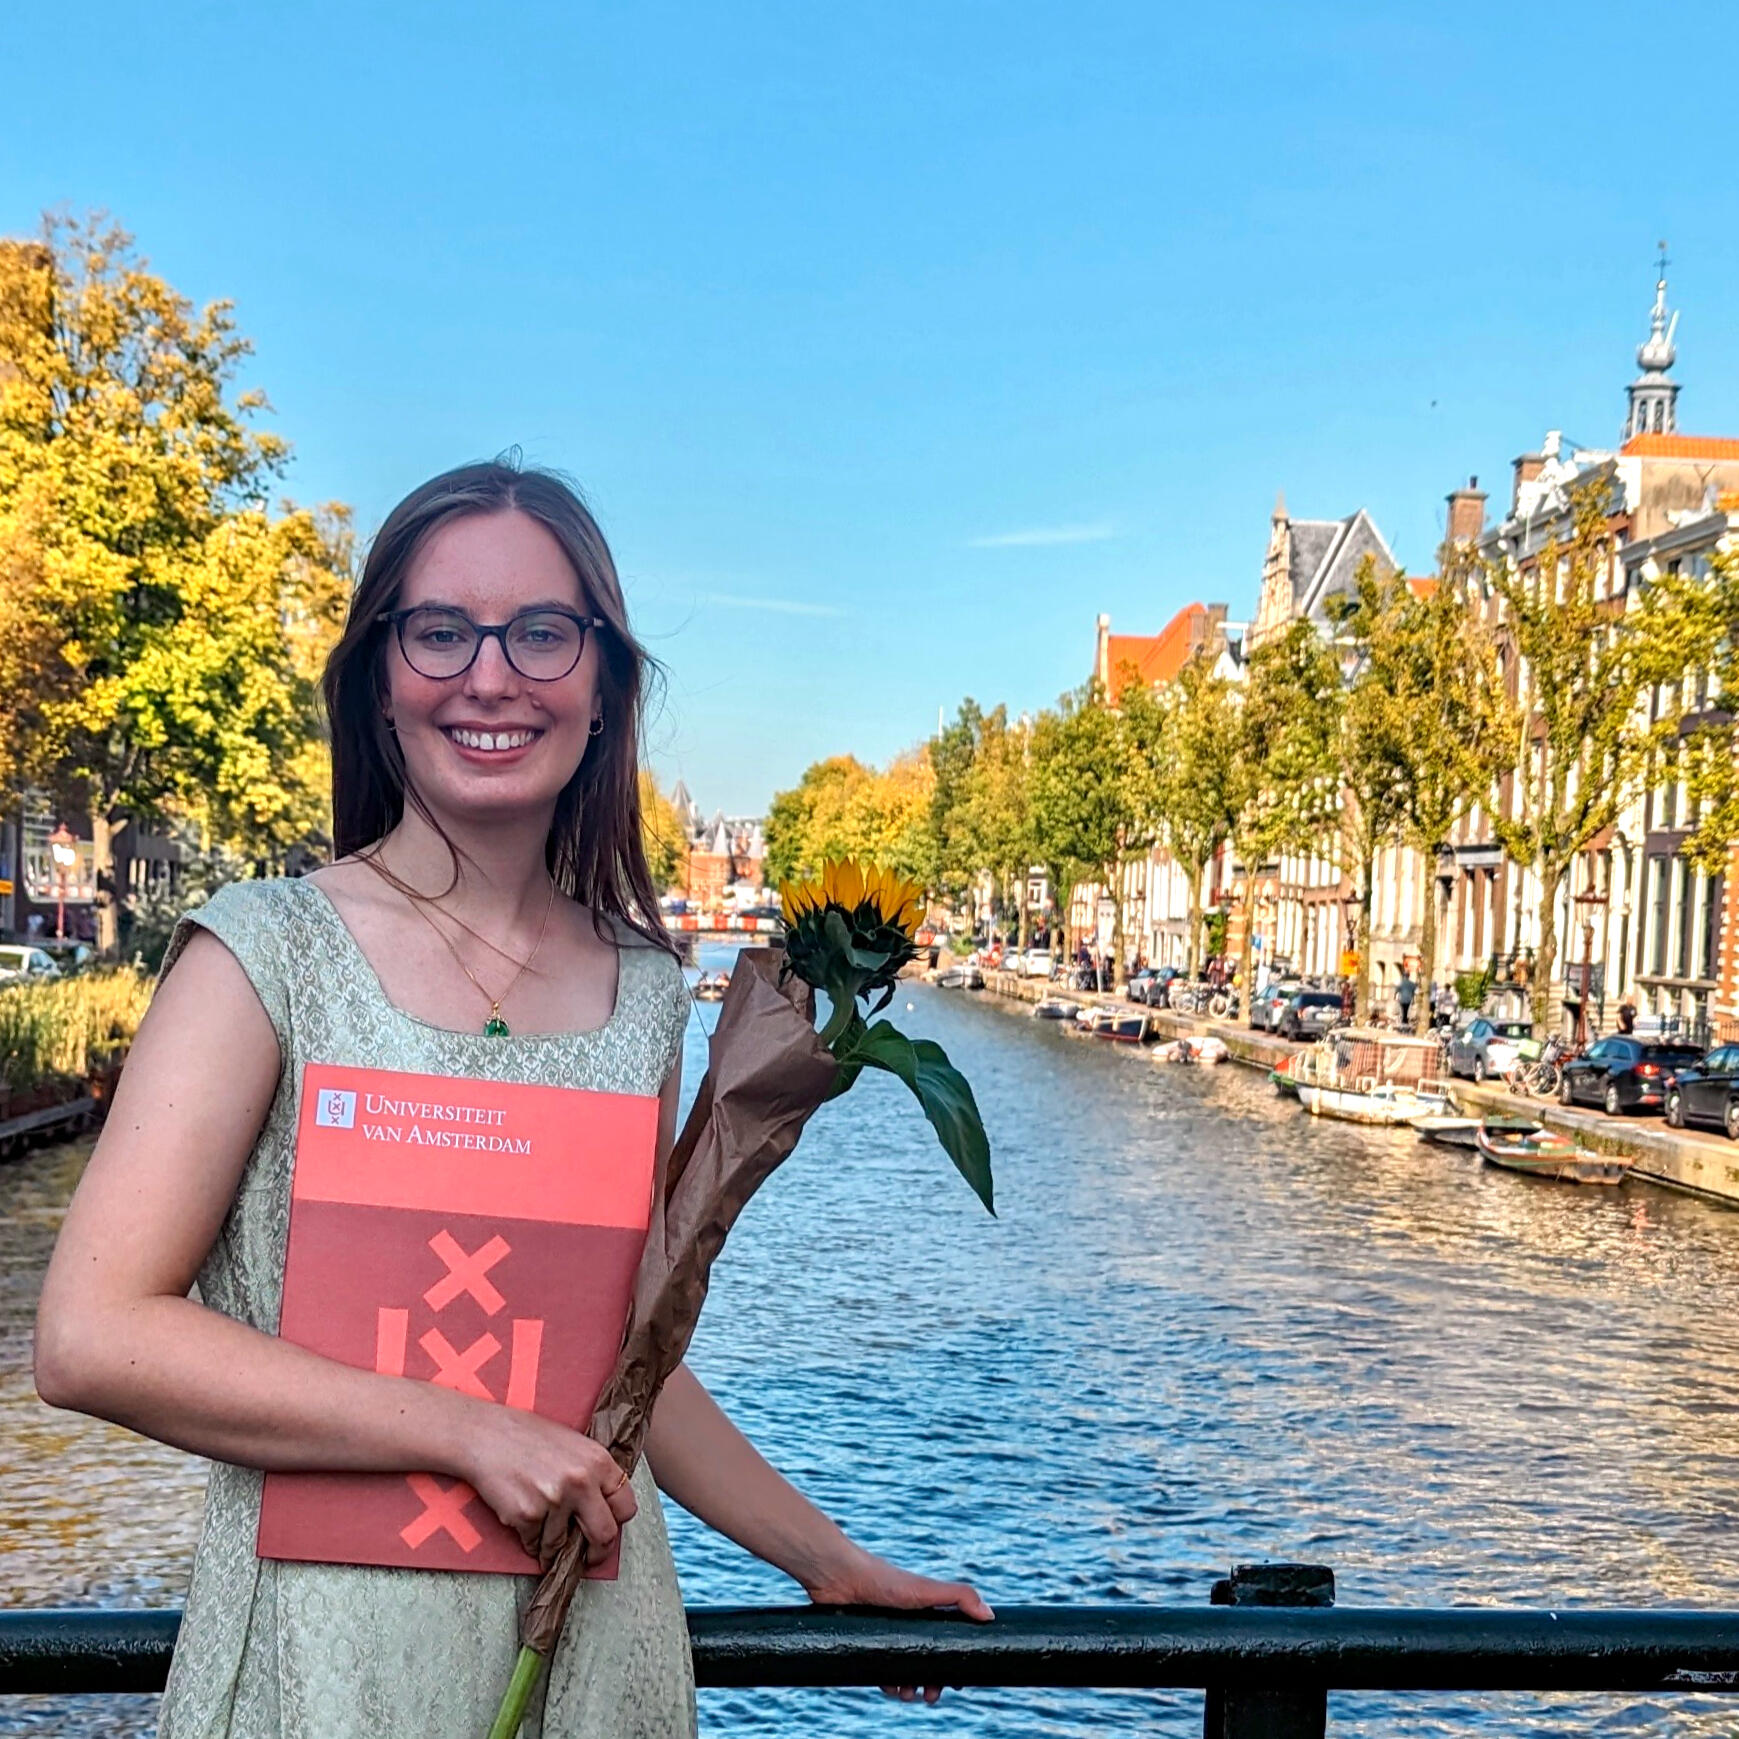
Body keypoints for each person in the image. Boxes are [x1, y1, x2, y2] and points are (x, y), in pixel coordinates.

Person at [33, 461, 988, 1738]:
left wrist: (826, 1557)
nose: (491, 676)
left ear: (604, 686)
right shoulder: (265, 955)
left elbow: (623, 1362)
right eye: (441, 630)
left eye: (542, 632)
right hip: (323, 1669)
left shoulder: (643, 993)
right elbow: (93, 1335)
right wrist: (466, 1431)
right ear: (380, 679)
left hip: (589, 1655)